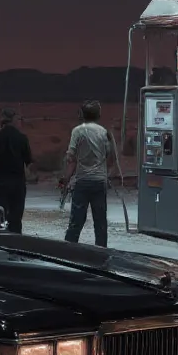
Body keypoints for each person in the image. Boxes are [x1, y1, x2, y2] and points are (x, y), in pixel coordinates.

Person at [61, 99, 114, 248]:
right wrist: (106, 174)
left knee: (76, 220)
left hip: (82, 181)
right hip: (99, 182)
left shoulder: (77, 131)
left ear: (82, 114)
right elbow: (110, 158)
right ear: (98, 115)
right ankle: (102, 252)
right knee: (100, 221)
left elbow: (71, 159)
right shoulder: (104, 132)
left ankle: (69, 251)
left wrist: (66, 179)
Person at [0, 108, 32, 233]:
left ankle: (3, 239)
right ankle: (17, 240)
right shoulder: (22, 138)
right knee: (16, 217)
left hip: (1, 182)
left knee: (0, 215)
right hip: (18, 182)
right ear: (13, 120)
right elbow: (28, 161)